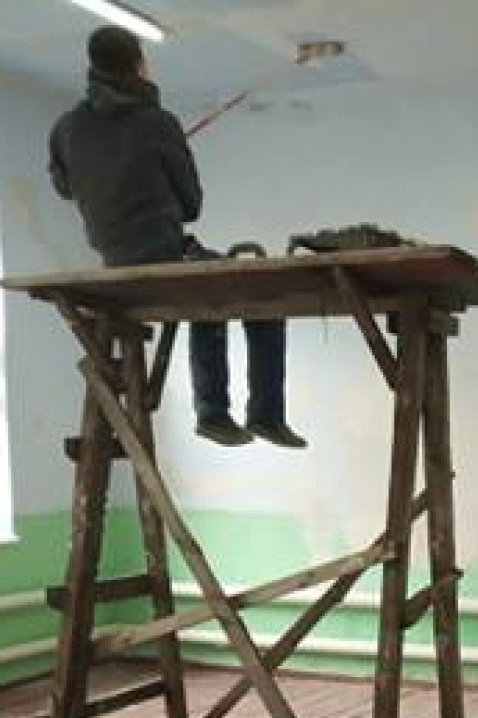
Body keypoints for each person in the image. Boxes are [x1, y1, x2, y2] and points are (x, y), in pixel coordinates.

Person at [48, 25, 305, 449]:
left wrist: (108, 172)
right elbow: (191, 205)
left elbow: (64, 187)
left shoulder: (65, 128)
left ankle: (224, 415)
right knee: (260, 296)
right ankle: (245, 414)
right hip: (163, 254)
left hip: (113, 261)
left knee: (211, 281)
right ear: (139, 66)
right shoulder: (158, 122)